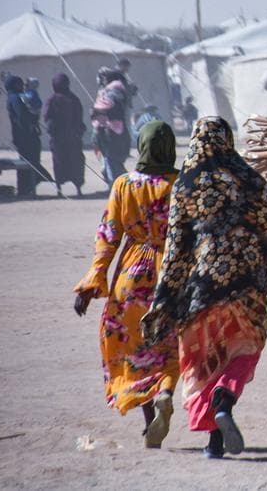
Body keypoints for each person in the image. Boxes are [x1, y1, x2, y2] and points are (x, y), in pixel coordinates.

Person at [141, 117, 267, 459]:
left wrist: (164, 298)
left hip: (202, 287)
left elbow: (176, 247)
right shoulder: (249, 176)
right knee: (245, 347)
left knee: (203, 361)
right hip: (246, 282)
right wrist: (262, 260)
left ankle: (213, 442)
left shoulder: (187, 183)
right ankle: (226, 399)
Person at [73, 120, 181, 448]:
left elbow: (108, 236)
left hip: (132, 278)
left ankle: (150, 421)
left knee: (134, 349)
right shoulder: (183, 184)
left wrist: (92, 284)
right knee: (171, 347)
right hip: (174, 276)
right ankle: (164, 391)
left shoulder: (124, 185)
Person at [43, 73, 86, 197]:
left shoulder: (54, 99)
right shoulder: (72, 98)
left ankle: (61, 189)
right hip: (69, 138)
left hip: (62, 138)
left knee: (63, 162)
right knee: (72, 162)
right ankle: (74, 189)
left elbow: (47, 117)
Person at [4, 75, 48, 197]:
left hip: (23, 135)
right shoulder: (14, 98)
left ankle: (27, 187)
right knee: (28, 162)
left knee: (28, 161)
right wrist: (33, 119)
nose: (22, 86)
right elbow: (22, 116)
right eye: (19, 84)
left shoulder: (14, 97)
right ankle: (26, 188)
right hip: (25, 135)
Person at [92, 69, 132, 187]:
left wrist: (97, 111)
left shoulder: (113, 93)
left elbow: (108, 108)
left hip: (111, 130)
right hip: (117, 130)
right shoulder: (119, 91)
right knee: (113, 160)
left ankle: (115, 186)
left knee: (110, 160)